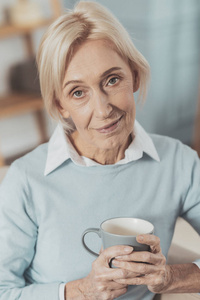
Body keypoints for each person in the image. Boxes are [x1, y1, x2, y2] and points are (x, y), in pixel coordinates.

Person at [0, 1, 200, 300]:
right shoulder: (25, 179)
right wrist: (81, 291)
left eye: (112, 80)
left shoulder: (179, 162)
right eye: (78, 92)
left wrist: (170, 277)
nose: (103, 109)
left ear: (135, 76)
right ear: (59, 105)